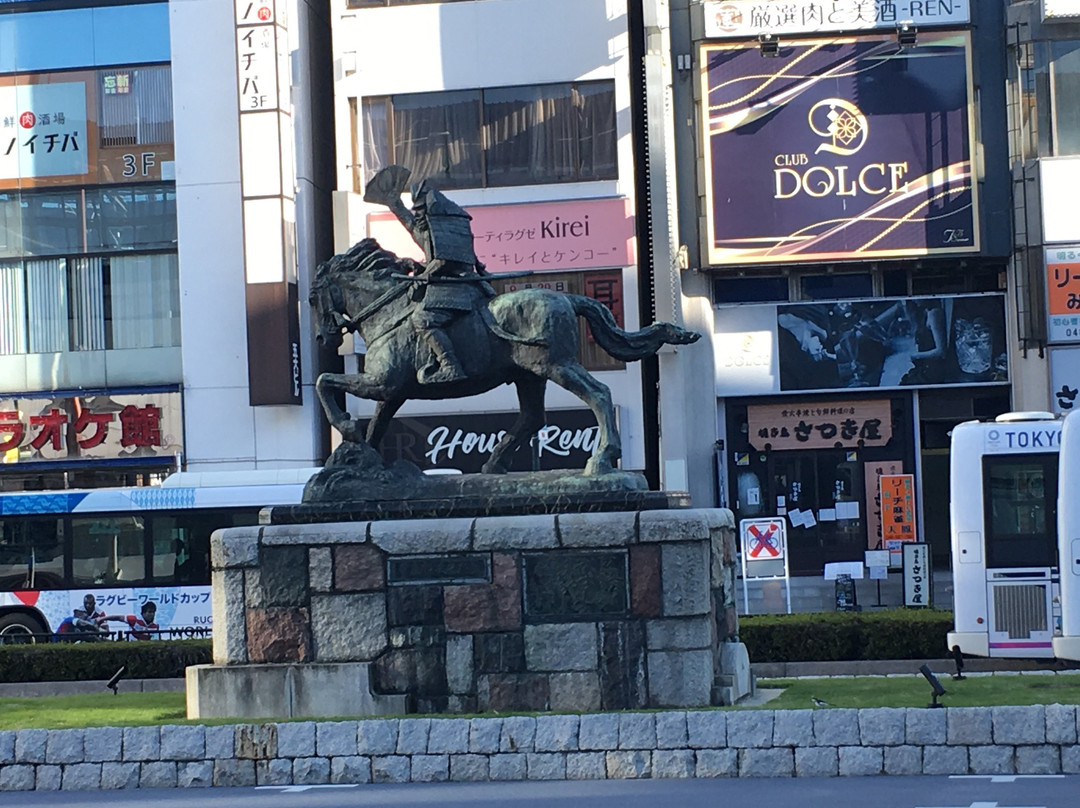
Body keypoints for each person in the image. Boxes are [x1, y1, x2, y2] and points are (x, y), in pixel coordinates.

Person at [366, 166, 494, 384]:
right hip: (447, 284)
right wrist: (393, 201)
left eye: (420, 209)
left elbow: (444, 260)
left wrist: (425, 275)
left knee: (423, 319)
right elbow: (412, 226)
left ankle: (450, 365)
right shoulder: (433, 228)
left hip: (455, 287)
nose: (417, 214)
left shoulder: (447, 225)